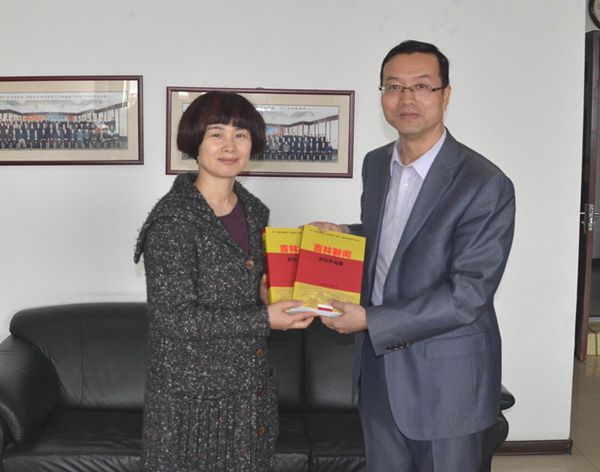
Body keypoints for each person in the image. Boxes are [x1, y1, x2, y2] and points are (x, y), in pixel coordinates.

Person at [310, 40, 515, 472]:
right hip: (379, 372)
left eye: (421, 86)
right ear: (382, 95)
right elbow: (396, 239)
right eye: (394, 86)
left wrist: (371, 320)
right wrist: (347, 234)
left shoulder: (484, 182)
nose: (406, 98)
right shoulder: (375, 164)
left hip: (446, 381)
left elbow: (467, 294)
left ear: (446, 94)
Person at [134, 91, 315, 472]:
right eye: (217, 134)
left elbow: (244, 290)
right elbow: (173, 318)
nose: (230, 146)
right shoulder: (172, 222)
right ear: (195, 142)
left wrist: (267, 295)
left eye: (241, 135)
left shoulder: (254, 211)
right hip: (190, 406)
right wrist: (265, 318)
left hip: (249, 394)